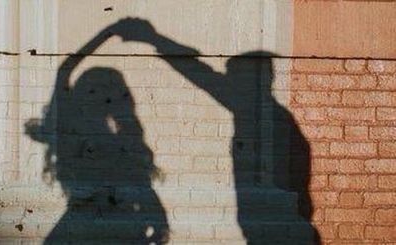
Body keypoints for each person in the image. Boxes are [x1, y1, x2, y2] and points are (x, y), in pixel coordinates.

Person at [108, 18, 317, 243]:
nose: (229, 80)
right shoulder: (266, 113)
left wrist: (155, 39)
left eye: (233, 75)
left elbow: (204, 76)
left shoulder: (259, 111)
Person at [25, 25, 169, 243]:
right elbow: (143, 188)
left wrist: (106, 34)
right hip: (119, 225)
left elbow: (64, 70)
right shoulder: (123, 142)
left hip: (89, 226)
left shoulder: (71, 135)